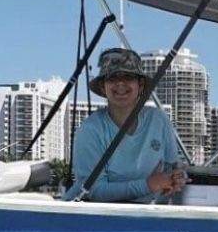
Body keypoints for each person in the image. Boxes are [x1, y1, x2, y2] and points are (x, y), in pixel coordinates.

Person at [66, 48, 187, 202]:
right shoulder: (90, 129)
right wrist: (148, 185)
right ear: (103, 87)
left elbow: (174, 166)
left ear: (140, 85)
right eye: (112, 78)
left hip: (147, 214)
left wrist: (178, 178)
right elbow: (94, 191)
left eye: (128, 77)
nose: (120, 84)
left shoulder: (158, 120)